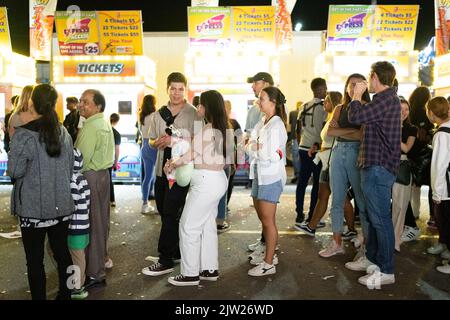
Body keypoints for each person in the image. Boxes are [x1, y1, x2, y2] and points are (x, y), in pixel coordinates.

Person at [7, 84, 74, 300]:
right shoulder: (63, 132)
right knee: (63, 254)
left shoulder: (24, 135)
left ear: (32, 103)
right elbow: (71, 166)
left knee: (35, 260)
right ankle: (67, 294)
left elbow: (14, 171)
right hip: (61, 206)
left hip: (33, 209)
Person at [166, 90, 230, 286]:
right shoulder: (224, 129)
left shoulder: (208, 129)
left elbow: (191, 155)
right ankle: (209, 269)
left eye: (201, 105)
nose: (199, 108)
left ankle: (190, 274)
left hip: (205, 182)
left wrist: (173, 163)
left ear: (207, 107)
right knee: (206, 226)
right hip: (218, 179)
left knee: (188, 226)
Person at [348, 61, 401, 288]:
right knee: (371, 217)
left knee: (380, 220)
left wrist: (355, 97)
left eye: (370, 77)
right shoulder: (383, 100)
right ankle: (372, 259)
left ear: (376, 77)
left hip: (379, 167)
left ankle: (387, 270)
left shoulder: (386, 99)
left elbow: (355, 117)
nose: (367, 82)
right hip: (374, 165)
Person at [142, 72, 197, 276]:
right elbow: (150, 139)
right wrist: (157, 142)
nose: (176, 92)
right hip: (160, 170)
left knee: (171, 211)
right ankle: (173, 251)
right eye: (173, 88)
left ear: (185, 89)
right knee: (165, 211)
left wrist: (175, 140)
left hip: (181, 171)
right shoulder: (159, 113)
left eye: (180, 88)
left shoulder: (193, 113)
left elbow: (199, 141)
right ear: (167, 89)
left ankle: (165, 259)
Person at [318, 74, 369, 261]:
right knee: (337, 200)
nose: (353, 87)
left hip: (357, 154)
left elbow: (362, 136)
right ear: (346, 87)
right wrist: (351, 131)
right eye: (350, 84)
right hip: (337, 153)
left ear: (364, 87)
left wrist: (344, 131)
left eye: (357, 84)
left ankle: (365, 246)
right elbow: (330, 132)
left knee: (362, 203)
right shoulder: (340, 108)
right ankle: (337, 243)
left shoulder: (366, 108)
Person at [296, 91, 357, 240]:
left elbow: (337, 137)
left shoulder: (337, 119)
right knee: (324, 195)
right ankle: (312, 226)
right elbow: (327, 138)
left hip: (331, 161)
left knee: (339, 198)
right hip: (326, 160)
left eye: (327, 101)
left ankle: (349, 229)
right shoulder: (329, 117)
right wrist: (317, 146)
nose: (324, 104)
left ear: (334, 102)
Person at [245, 86, 287, 276]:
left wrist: (253, 147)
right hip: (259, 174)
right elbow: (248, 144)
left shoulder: (277, 125)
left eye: (262, 98)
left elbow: (266, 153)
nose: (258, 101)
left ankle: (269, 263)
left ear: (273, 102)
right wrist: (254, 146)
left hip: (270, 177)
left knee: (268, 221)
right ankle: (268, 253)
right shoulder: (263, 121)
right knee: (263, 219)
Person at [75, 89, 115, 290]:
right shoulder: (102, 122)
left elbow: (80, 159)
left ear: (98, 106)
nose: (81, 105)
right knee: (100, 224)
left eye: (86, 102)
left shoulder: (92, 126)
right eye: (80, 101)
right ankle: (98, 266)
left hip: (90, 177)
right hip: (102, 176)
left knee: (91, 225)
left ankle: (94, 271)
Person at [245, 72, 274, 257]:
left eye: (256, 83)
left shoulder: (271, 112)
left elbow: (264, 143)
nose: (253, 86)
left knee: (266, 212)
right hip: (256, 161)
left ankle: (269, 250)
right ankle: (264, 241)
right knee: (259, 205)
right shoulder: (256, 107)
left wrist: (250, 146)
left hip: (265, 166)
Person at [295, 78, 328, 227]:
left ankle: (299, 213)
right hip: (316, 149)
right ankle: (311, 217)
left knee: (302, 182)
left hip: (302, 147)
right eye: (325, 88)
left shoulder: (303, 106)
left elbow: (297, 128)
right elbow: (323, 130)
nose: (326, 91)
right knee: (316, 183)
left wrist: (301, 141)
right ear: (319, 89)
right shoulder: (323, 108)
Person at [425, 97, 450, 273]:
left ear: (431, 114)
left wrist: (437, 193)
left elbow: (439, 165)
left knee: (447, 220)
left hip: (446, 187)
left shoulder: (441, 134)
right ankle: (445, 246)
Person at [392, 97, 418, 252]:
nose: (403, 113)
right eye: (400, 109)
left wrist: (394, 132)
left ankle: (396, 239)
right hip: (384, 165)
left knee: (400, 206)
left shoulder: (412, 128)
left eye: (406, 109)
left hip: (402, 166)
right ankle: (365, 237)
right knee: (378, 205)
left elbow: (407, 148)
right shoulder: (385, 124)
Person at [68, 149, 91, 300]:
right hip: (84, 224)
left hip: (74, 226)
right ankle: (78, 283)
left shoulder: (70, 180)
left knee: (76, 258)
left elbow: (72, 205)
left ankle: (77, 288)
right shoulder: (82, 178)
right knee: (79, 256)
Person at [139, 95, 157, 213]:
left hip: (144, 147)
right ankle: (158, 207)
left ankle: (144, 204)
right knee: (158, 177)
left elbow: (141, 131)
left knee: (147, 177)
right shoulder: (155, 116)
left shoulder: (141, 117)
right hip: (154, 146)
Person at [109, 113, 121, 207]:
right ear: (117, 121)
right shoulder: (116, 133)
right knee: (109, 180)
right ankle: (112, 200)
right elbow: (117, 149)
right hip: (109, 159)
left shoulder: (104, 130)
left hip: (100, 158)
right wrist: (115, 162)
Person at [289, 101, 302, 183]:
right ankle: (301, 175)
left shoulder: (292, 113)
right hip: (303, 138)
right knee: (302, 157)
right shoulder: (304, 113)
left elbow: (290, 126)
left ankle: (297, 175)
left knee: (295, 157)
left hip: (294, 137)